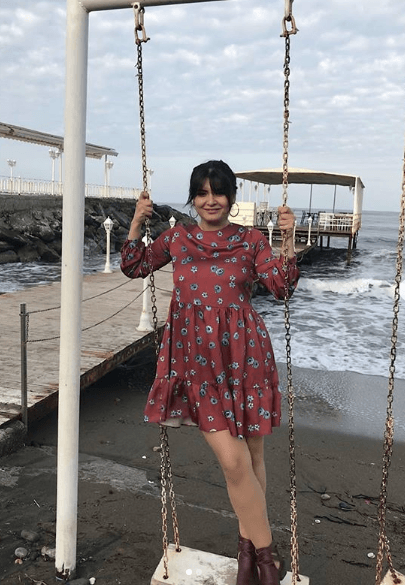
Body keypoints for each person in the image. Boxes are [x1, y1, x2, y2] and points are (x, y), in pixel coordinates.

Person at [120, 160, 299, 585]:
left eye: (218, 191)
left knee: (253, 457)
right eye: (201, 193)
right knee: (235, 462)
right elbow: (134, 265)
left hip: (246, 357)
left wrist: (289, 239)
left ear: (231, 196)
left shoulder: (251, 239)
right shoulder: (178, 238)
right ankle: (268, 563)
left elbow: (281, 287)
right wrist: (136, 222)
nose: (210, 200)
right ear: (193, 198)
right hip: (196, 364)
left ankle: (247, 556)